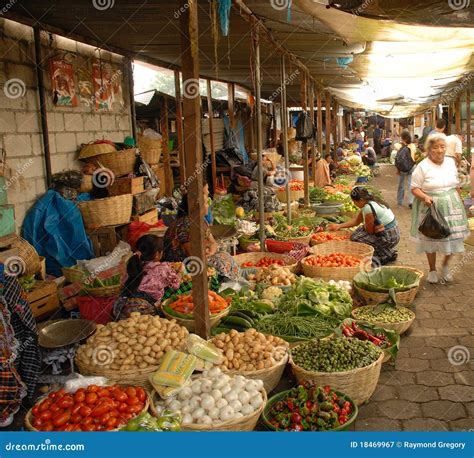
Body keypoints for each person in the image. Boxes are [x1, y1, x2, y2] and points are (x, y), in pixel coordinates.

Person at [410, 133, 469, 284]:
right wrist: (424, 197)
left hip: (451, 205)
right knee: (431, 237)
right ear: (429, 149)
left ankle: (445, 266)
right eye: (435, 147)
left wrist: (460, 201)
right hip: (431, 206)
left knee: (453, 237)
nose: (440, 150)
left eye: (442, 147)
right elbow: (414, 188)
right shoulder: (422, 166)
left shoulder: (450, 162)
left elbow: (456, 184)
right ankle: (432, 270)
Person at [163, 183, 240, 280]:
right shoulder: (186, 226)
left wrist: (211, 249)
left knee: (225, 256)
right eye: (206, 203)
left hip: (195, 258)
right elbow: (193, 257)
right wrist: (208, 251)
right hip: (180, 266)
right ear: (196, 207)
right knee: (220, 263)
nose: (208, 205)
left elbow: (213, 242)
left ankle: (231, 280)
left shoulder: (201, 221)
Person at [113, 234, 181, 320]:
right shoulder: (163, 268)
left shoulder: (132, 265)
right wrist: (178, 273)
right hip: (144, 311)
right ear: (157, 254)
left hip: (121, 308)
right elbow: (176, 285)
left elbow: (123, 283)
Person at [328, 187, 400, 265]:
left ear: (361, 200)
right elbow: (356, 221)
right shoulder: (371, 201)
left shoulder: (368, 208)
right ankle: (388, 252)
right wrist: (339, 226)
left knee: (356, 238)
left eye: (355, 202)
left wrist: (363, 227)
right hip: (393, 232)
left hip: (389, 236)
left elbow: (369, 231)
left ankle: (384, 256)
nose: (354, 204)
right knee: (358, 232)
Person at [395, 131, 416, 208]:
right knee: (410, 184)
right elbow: (415, 157)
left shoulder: (400, 146)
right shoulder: (413, 146)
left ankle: (399, 201)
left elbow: (397, 159)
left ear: (403, 138)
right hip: (412, 167)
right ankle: (411, 202)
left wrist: (397, 170)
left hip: (402, 169)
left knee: (401, 185)